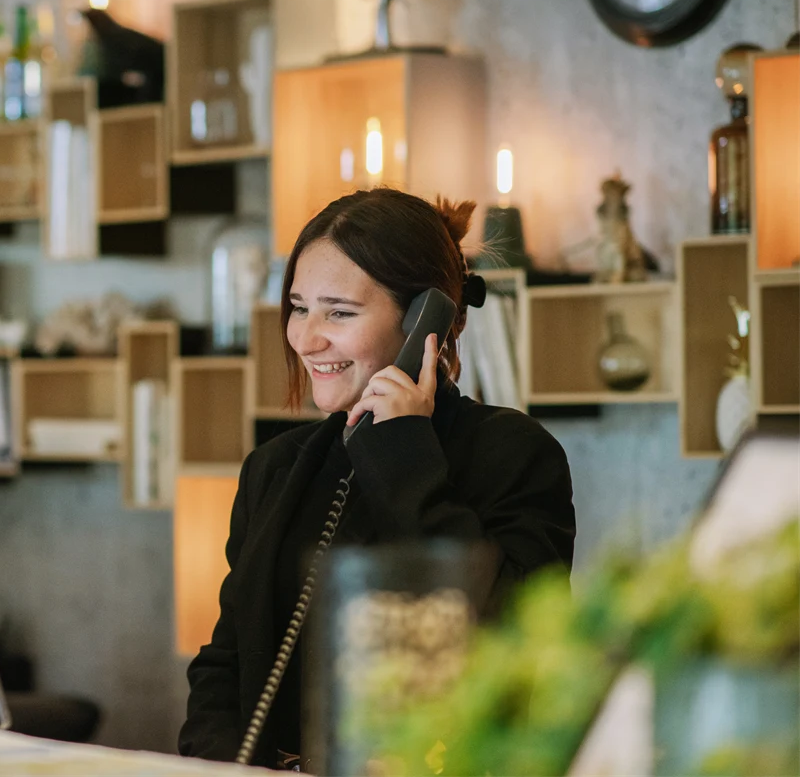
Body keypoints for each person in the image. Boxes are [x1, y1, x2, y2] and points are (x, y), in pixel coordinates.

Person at [177, 188, 576, 769]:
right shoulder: (274, 468)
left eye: (339, 311)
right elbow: (224, 664)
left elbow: (506, 644)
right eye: (298, 306)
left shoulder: (514, 454)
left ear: (425, 322)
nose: (307, 337)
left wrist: (402, 456)